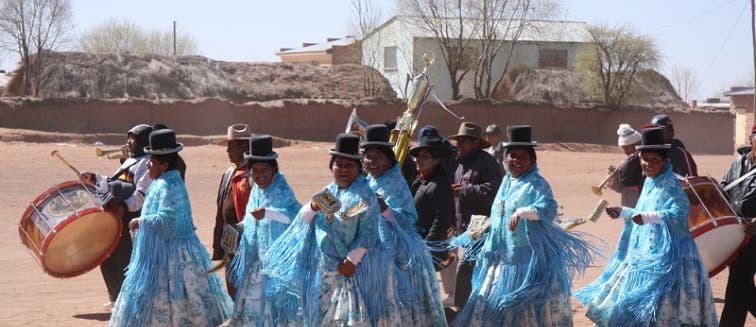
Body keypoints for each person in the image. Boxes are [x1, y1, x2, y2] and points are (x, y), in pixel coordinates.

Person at [453, 125, 596, 326]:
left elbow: (548, 208)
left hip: (526, 264)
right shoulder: (507, 182)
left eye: (523, 157)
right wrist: (485, 226)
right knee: (490, 306)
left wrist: (525, 212)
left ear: (532, 160)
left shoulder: (537, 183)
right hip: (500, 260)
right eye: (512, 156)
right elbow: (500, 214)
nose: (516, 161)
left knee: (519, 310)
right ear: (505, 158)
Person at [576, 127, 718, 327]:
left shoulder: (671, 184)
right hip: (646, 255)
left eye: (655, 160)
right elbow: (643, 210)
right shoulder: (650, 182)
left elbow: (679, 214)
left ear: (665, 161)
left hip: (668, 262)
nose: (649, 164)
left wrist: (649, 217)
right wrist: (624, 212)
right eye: (645, 159)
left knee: (662, 313)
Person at [109, 129, 232, 326]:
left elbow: (168, 219)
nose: (148, 165)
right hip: (166, 251)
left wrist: (141, 221)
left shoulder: (169, 185)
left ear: (164, 165)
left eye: (152, 162)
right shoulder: (164, 181)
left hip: (172, 257)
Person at [264, 133, 388, 326]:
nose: (343, 170)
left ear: (359, 168)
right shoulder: (329, 191)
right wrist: (313, 208)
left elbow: (369, 232)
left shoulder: (366, 196)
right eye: (339, 164)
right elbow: (302, 219)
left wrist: (351, 260)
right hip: (323, 271)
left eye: (349, 165)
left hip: (352, 271)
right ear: (332, 167)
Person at [361, 124, 447, 326]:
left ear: (389, 160)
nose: (373, 162)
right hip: (371, 254)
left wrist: (385, 209)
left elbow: (408, 219)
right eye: (369, 156)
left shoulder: (396, 184)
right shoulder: (368, 182)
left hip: (398, 257)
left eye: (378, 157)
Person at [228, 134, 302, 326]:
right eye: (254, 171)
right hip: (257, 264)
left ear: (274, 170)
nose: (259, 175)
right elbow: (251, 218)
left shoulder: (282, 190)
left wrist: (268, 213)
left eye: (264, 170)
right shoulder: (256, 191)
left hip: (277, 268)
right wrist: (241, 227)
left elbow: (292, 218)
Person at [79, 123, 153, 310]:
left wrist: (124, 207)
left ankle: (129, 301)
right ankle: (116, 297)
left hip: (131, 217)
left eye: (133, 138)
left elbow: (142, 194)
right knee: (107, 255)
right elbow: (114, 183)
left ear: (143, 141)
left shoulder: (147, 163)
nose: (129, 141)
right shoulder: (130, 160)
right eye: (129, 137)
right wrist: (94, 178)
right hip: (116, 215)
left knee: (125, 259)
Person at [448, 122, 503, 308]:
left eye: (463, 141)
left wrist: (463, 190)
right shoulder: (460, 164)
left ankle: (463, 312)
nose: (459, 145)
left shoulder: (487, 163)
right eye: (458, 141)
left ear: (475, 143)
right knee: (470, 273)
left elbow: (492, 192)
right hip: (464, 230)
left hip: (482, 230)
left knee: (467, 271)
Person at [409, 134, 456, 309]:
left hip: (426, 247)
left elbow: (440, 220)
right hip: (415, 243)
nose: (419, 160)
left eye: (425, 156)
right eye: (418, 156)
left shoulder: (439, 186)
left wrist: (427, 249)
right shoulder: (421, 180)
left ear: (437, 161)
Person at [719, 125, 756, 326]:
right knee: (739, 283)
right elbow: (724, 189)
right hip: (737, 235)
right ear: (751, 138)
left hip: (755, 236)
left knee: (739, 282)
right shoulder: (738, 164)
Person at [211, 123, 252, 298]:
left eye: (231, 146)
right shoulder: (229, 172)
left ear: (244, 146)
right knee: (232, 283)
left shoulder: (253, 174)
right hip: (229, 238)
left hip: (246, 239)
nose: (227, 151)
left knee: (246, 285)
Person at [607, 123, 643, 207]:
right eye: (623, 148)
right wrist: (614, 177)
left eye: (627, 148)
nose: (625, 151)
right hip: (628, 208)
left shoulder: (646, 162)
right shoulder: (626, 162)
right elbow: (621, 189)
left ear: (636, 145)